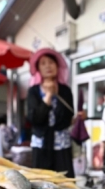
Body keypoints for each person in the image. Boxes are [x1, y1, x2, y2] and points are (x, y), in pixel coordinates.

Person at [27, 48, 76, 177]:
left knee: (65, 181)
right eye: (43, 63)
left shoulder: (65, 90)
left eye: (51, 62)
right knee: (42, 182)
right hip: (41, 143)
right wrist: (48, 96)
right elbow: (34, 118)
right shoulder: (33, 91)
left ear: (57, 66)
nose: (48, 66)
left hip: (62, 143)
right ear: (38, 69)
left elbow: (68, 116)